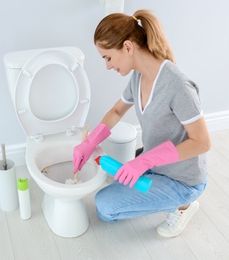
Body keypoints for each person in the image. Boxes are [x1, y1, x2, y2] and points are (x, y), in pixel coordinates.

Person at [73, 9, 211, 238]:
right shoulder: (138, 76)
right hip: (156, 164)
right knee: (116, 187)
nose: (107, 66)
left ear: (128, 47)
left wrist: (144, 160)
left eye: (108, 57)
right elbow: (117, 110)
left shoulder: (178, 86)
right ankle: (153, 182)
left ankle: (183, 206)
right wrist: (90, 142)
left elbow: (203, 143)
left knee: (105, 208)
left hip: (183, 179)